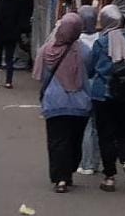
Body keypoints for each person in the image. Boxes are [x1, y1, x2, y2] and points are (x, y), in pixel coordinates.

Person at [87, 4, 125, 193]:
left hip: (104, 95)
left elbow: (91, 68)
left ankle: (109, 177)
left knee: (106, 136)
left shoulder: (100, 43)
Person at [34, 13, 92, 193]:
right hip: (79, 104)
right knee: (75, 140)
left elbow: (41, 77)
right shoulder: (83, 50)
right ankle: (69, 171)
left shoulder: (45, 50)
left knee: (57, 141)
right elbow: (89, 71)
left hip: (54, 103)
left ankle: (60, 178)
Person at [76, 5, 102, 176]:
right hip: (100, 86)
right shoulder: (102, 39)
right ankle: (97, 163)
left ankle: (86, 163)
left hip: (82, 86)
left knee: (85, 127)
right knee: (98, 126)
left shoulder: (76, 41)